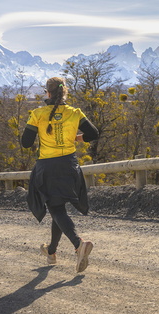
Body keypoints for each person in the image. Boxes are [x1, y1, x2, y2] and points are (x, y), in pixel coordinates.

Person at [21, 77, 100, 272]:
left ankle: (79, 244)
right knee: (58, 207)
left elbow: (26, 143)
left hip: (47, 168)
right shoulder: (75, 112)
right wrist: (76, 138)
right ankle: (51, 252)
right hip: (69, 166)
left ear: (47, 93)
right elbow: (93, 134)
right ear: (65, 93)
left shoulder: (37, 114)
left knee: (55, 208)